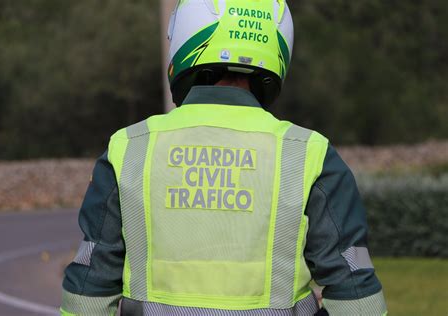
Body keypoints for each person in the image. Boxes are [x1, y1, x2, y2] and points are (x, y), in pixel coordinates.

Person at [61, 0, 387, 315]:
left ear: (186, 39)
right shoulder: (310, 153)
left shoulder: (129, 148)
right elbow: (356, 298)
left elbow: (90, 289)